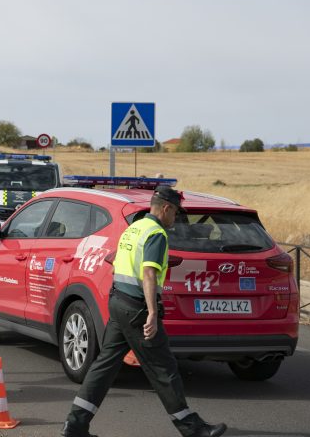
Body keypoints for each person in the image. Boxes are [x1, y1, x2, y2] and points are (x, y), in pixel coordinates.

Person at [62, 185, 227, 437]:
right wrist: (152, 312)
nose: (176, 219)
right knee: (164, 369)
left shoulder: (134, 228)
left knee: (104, 367)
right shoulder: (157, 234)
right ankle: (192, 429)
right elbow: (149, 273)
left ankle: (74, 425)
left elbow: (116, 263)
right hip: (137, 309)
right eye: (176, 213)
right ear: (166, 208)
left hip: (119, 303)